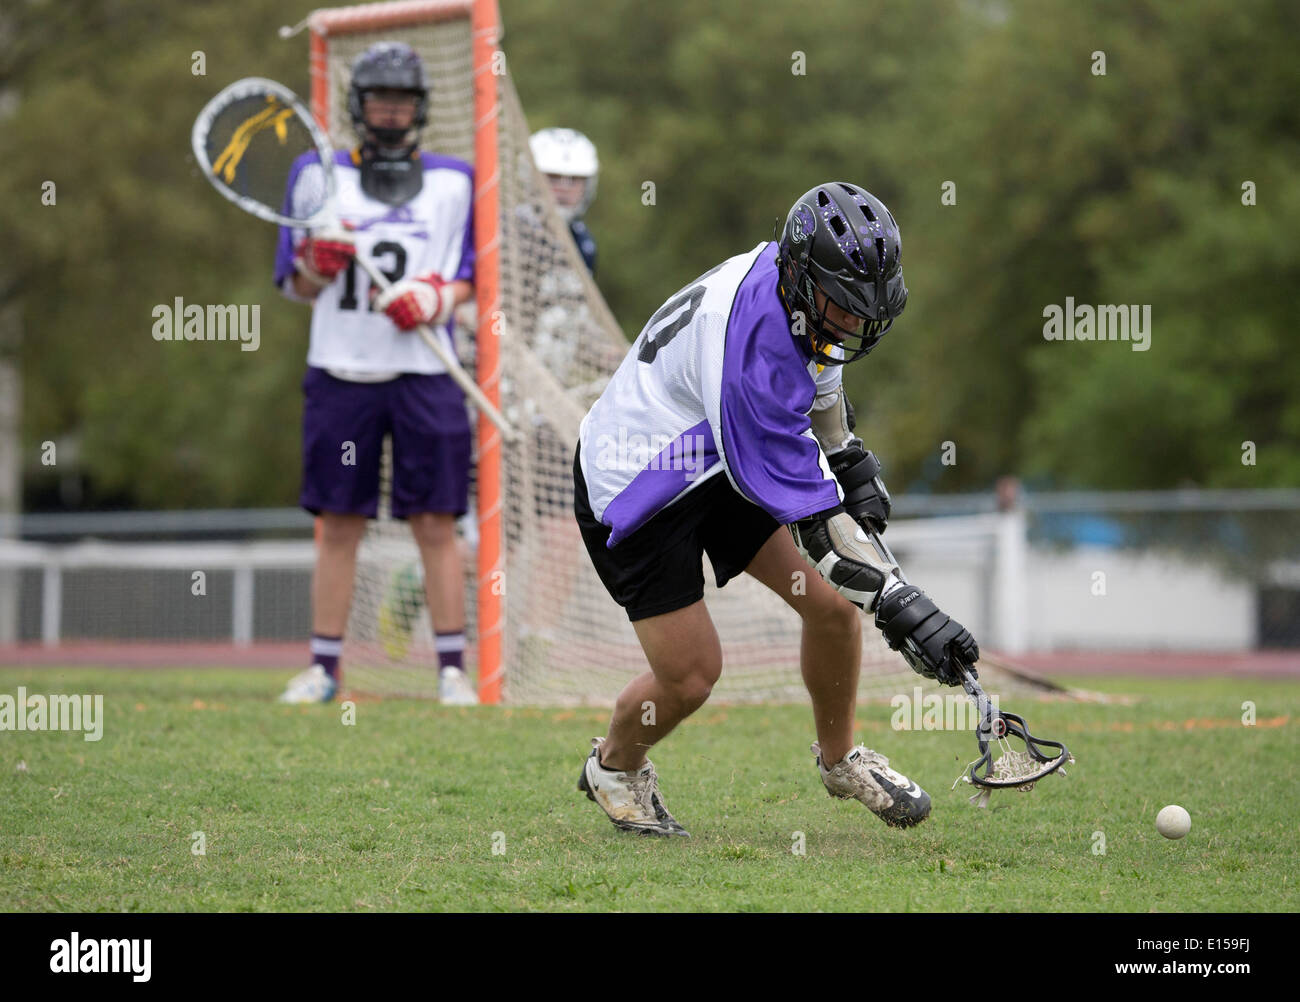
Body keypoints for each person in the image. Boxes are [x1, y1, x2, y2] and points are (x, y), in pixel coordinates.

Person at [573, 182, 980, 836]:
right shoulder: (753, 357)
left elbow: (820, 371)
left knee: (830, 610)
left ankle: (840, 759)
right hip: (638, 481)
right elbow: (819, 529)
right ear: (800, 280)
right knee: (692, 676)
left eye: (861, 309)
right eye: (842, 308)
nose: (852, 322)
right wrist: (904, 607)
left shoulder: (800, 293)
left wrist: (844, 452)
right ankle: (613, 768)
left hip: (709, 448)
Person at [273, 41, 479, 706]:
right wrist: (319, 268)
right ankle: (324, 669)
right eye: (380, 99)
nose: (391, 112)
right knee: (338, 521)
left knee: (435, 520)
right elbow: (294, 285)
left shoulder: (456, 180)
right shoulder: (316, 174)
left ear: (419, 108)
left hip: (426, 370)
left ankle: (451, 670)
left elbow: (476, 278)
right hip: (341, 370)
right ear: (359, 105)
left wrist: (436, 298)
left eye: (403, 100)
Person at [529, 127, 599, 275]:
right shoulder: (508, 229)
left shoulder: (582, 241)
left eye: (574, 180)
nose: (564, 188)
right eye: (553, 177)